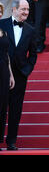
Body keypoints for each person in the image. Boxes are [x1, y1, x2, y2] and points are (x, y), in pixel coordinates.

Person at [0, 0, 37, 150]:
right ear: (14, 9)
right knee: (1, 107)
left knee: (16, 109)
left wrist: (26, 70)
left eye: (27, 10)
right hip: (2, 73)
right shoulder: (2, 25)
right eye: (23, 9)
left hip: (20, 75)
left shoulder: (31, 30)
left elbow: (33, 54)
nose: (26, 13)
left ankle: (11, 141)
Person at [0, 23, 15, 152]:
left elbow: (7, 55)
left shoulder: (3, 32)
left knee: (2, 106)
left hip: (4, 70)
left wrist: (11, 75)